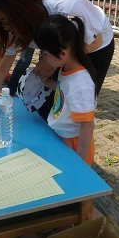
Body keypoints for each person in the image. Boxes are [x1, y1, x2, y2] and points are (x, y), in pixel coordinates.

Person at [0, 0, 115, 130]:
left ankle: (76, 143)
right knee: (51, 105)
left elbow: (95, 42)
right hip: (57, 52)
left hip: (93, 48)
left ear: (23, 12)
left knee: (75, 105)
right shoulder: (13, 28)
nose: (7, 29)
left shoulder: (66, 7)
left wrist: (51, 61)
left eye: (8, 23)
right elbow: (2, 68)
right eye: (2, 24)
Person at [6, 0, 69, 96]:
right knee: (24, 59)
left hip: (51, 23)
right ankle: (12, 90)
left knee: (48, 59)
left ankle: (43, 93)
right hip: (31, 23)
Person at [34, 14, 97, 165]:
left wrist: (80, 162)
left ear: (62, 53)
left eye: (45, 54)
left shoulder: (81, 84)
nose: (43, 59)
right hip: (61, 136)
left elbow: (87, 125)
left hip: (73, 143)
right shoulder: (66, 68)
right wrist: (48, 82)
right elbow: (63, 91)